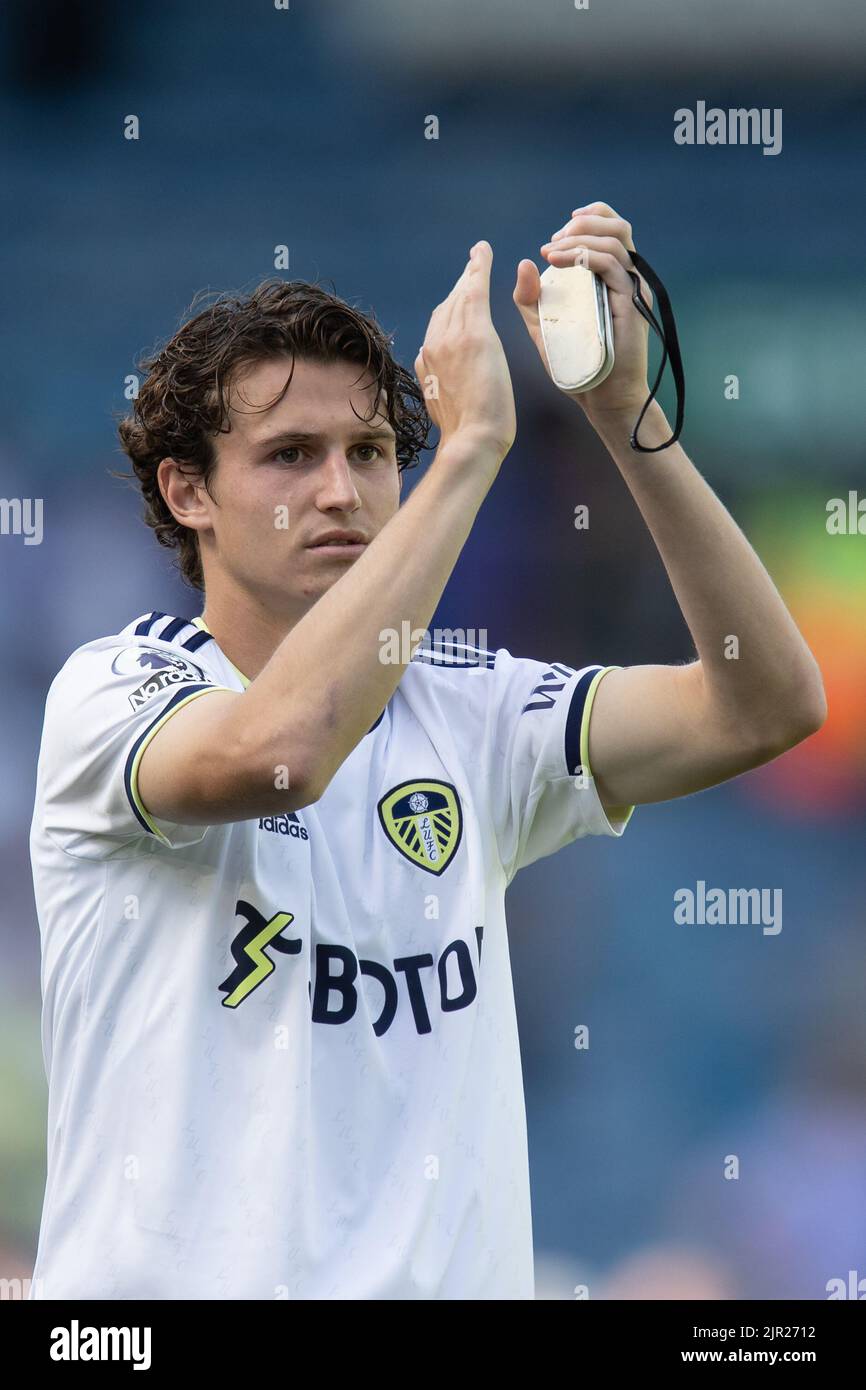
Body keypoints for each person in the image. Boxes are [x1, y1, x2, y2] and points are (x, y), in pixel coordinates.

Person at [29, 201, 826, 1300]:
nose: (341, 491)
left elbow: (764, 704)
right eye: (289, 455)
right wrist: (469, 453)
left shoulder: (469, 712)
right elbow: (285, 753)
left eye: (369, 453)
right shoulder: (117, 690)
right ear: (186, 491)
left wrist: (624, 411)